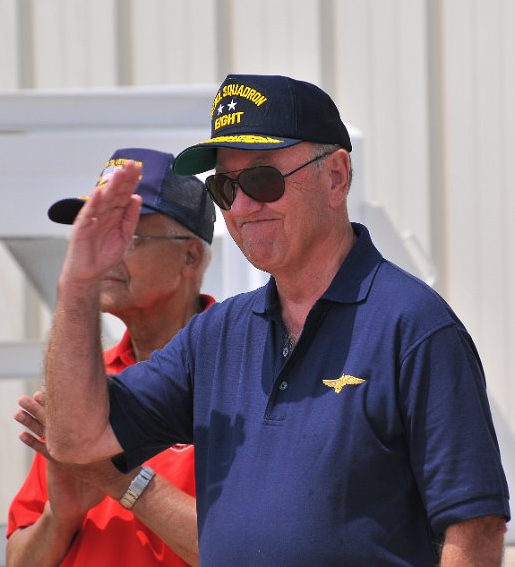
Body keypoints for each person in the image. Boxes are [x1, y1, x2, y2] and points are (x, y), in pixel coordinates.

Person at [39, 75, 510, 566]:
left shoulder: (412, 327)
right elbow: (77, 440)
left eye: (263, 180)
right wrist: (78, 284)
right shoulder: (216, 337)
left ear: (336, 177)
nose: (242, 207)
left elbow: (474, 530)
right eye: (225, 187)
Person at [7, 148, 216, 567]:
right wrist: (60, 519)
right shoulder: (84, 382)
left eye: (127, 234)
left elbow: (254, 552)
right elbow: (17, 561)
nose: (105, 251)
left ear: (190, 256)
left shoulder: (243, 371)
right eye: (98, 233)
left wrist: (119, 479)